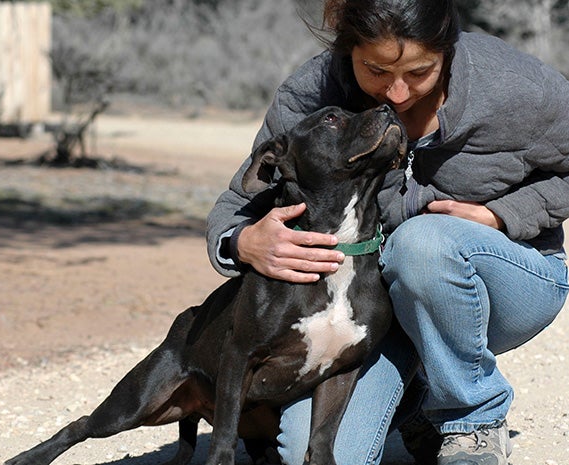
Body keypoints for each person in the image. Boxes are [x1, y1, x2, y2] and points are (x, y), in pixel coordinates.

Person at [205, 0, 569, 464]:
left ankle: (472, 419)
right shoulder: (312, 94)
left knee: (422, 243)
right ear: (347, 49)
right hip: (377, 309)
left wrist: (503, 215)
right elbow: (238, 202)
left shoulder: (516, 88)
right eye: (375, 70)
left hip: (510, 281)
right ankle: (417, 396)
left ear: (448, 49)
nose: (397, 93)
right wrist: (241, 241)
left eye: (420, 71)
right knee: (310, 454)